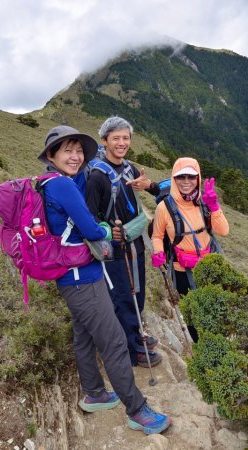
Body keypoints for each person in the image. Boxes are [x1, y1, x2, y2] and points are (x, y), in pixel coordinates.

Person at [38, 125, 171, 435]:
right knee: (112, 341)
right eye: (66, 150)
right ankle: (137, 410)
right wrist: (106, 232)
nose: (74, 156)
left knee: (83, 334)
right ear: (51, 155)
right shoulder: (64, 186)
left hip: (71, 276)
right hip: (82, 278)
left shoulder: (52, 182)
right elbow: (92, 228)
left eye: (78, 150)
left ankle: (94, 392)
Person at [86, 116, 162, 368]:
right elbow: (90, 217)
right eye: (115, 138)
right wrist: (109, 231)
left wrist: (147, 185)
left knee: (136, 294)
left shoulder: (129, 169)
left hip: (135, 243)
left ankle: (136, 331)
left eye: (126, 138)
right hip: (115, 250)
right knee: (122, 297)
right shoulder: (97, 177)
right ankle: (132, 350)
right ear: (104, 141)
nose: (121, 143)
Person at [150, 157, 229, 342]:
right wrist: (158, 252)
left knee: (213, 306)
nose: (186, 182)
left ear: (198, 178)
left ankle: (216, 342)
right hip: (181, 270)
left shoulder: (205, 202)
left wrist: (214, 207)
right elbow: (157, 235)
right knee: (192, 309)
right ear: (174, 179)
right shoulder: (165, 207)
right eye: (181, 177)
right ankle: (200, 344)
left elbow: (224, 231)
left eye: (191, 177)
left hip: (208, 266)